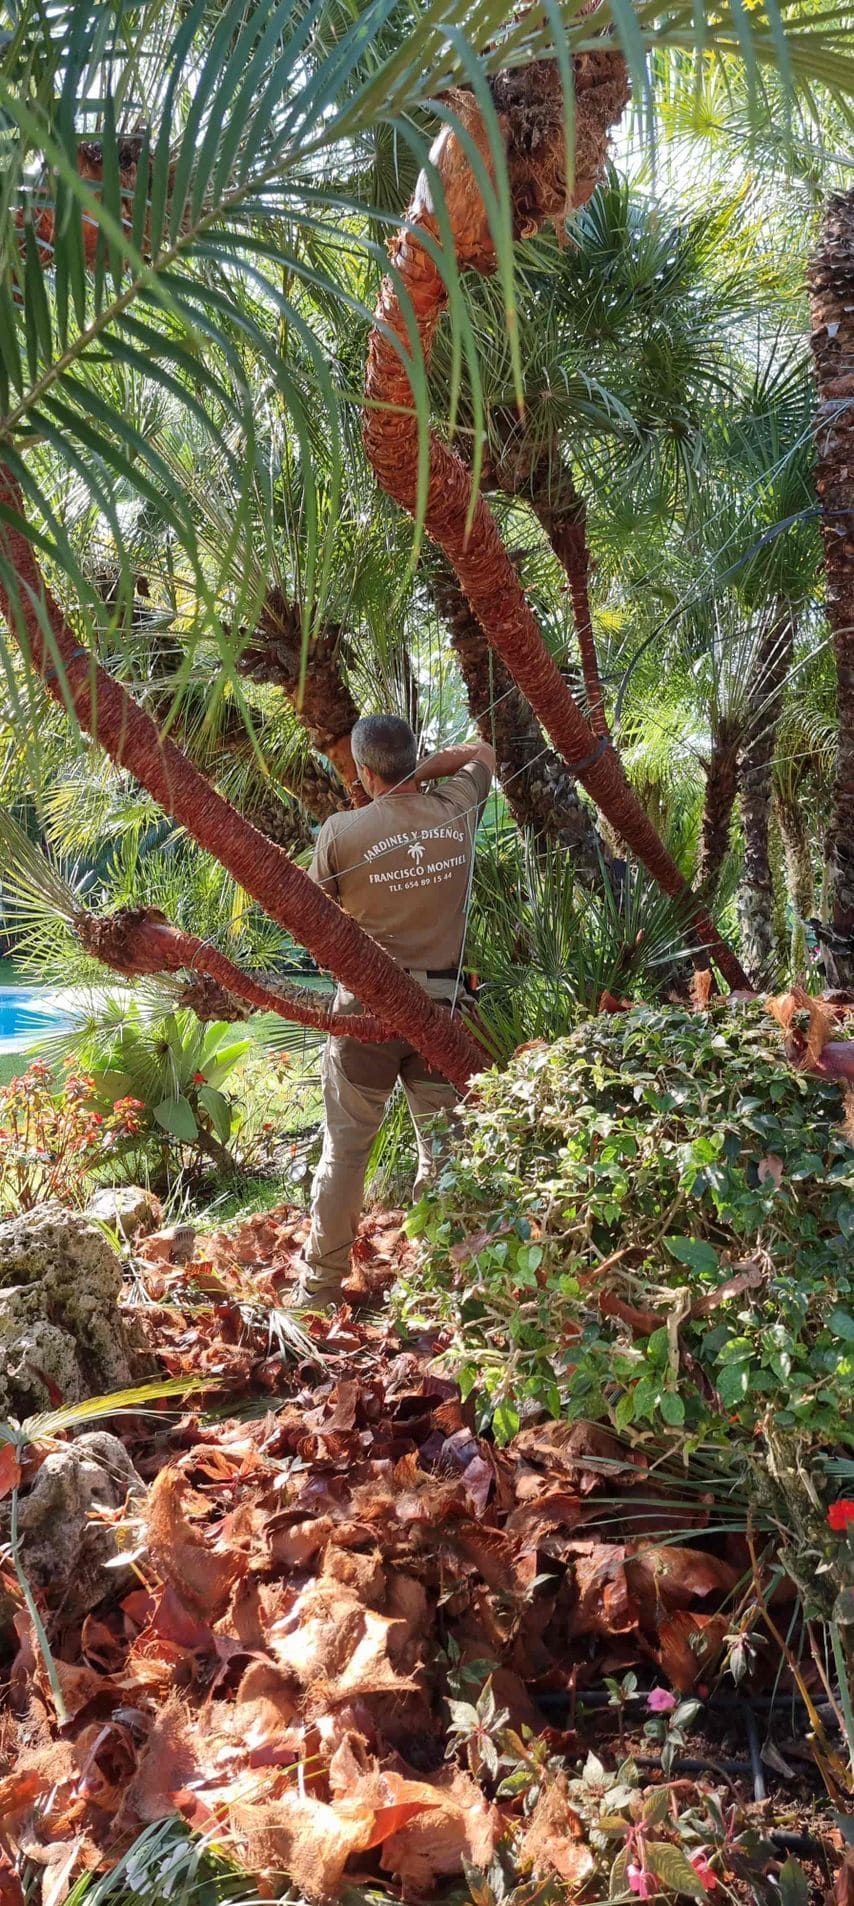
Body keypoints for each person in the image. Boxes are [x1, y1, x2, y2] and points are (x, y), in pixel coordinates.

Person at [296, 713, 495, 1307]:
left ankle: (319, 1290)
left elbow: (311, 922)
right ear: (413, 758)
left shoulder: (341, 832)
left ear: (363, 771)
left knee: (345, 1154)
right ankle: (442, 1283)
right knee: (445, 1153)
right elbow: (483, 752)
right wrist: (421, 770)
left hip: (366, 1016)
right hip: (443, 1014)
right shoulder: (455, 808)